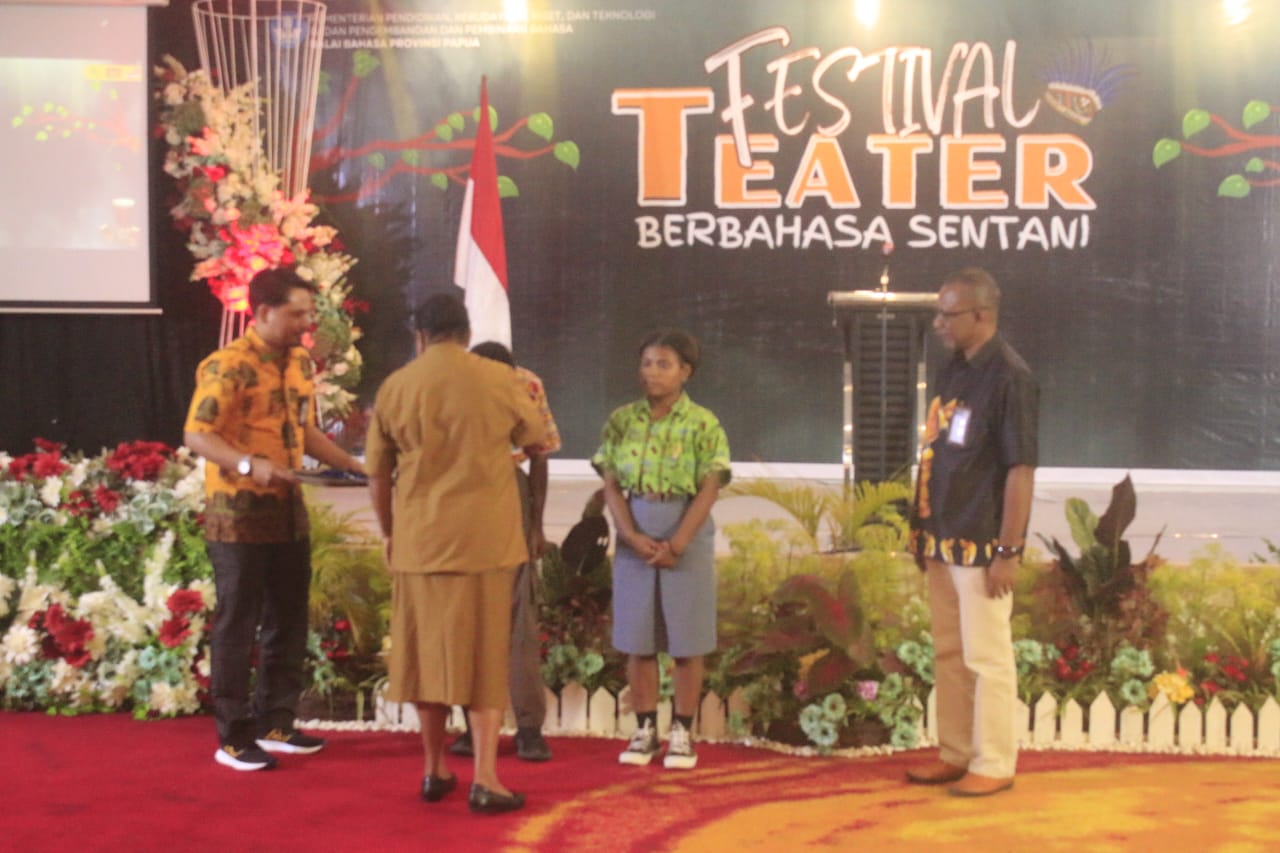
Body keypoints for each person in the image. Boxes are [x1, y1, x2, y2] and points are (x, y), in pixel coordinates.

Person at [365, 294, 546, 814]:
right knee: (485, 658)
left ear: (420, 336)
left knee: (426, 658)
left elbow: (377, 473)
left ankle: (434, 769)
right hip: (486, 541)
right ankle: (485, 778)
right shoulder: (501, 379)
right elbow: (535, 440)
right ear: (466, 333)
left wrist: (390, 532)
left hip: (419, 540)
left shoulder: (397, 386)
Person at [183, 266, 364, 772]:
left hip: (288, 512)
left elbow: (306, 432)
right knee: (238, 623)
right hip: (238, 514)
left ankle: (276, 722)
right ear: (263, 312)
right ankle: (233, 737)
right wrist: (248, 464)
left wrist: (352, 465)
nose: (306, 324)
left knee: (288, 618)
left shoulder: (300, 362)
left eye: (309, 314)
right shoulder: (228, 364)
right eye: (296, 314)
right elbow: (197, 434)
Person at [906, 267, 1038, 798]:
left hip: (982, 541)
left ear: (981, 315)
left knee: (987, 656)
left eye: (948, 314)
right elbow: (937, 451)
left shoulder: (1011, 377)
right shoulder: (953, 369)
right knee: (949, 652)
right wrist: (922, 529)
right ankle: (955, 753)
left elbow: (1020, 470)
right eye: (938, 313)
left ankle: (995, 761)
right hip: (942, 535)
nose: (939, 323)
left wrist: (1009, 550)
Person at [592, 330, 730, 770]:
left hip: (684, 529)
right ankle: (645, 729)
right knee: (639, 639)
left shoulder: (703, 423)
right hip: (635, 530)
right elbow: (610, 483)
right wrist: (631, 536)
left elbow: (710, 486)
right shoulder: (622, 421)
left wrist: (679, 543)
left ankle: (682, 733)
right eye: (647, 363)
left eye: (663, 364)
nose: (652, 372)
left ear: (685, 371)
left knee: (688, 641)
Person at [448, 341, 562, 763]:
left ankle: (529, 728)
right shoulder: (450, 385)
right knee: (467, 621)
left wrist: (536, 526)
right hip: (462, 493)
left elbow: (540, 456)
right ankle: (471, 726)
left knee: (519, 620)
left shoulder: (527, 385)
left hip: (511, 493)